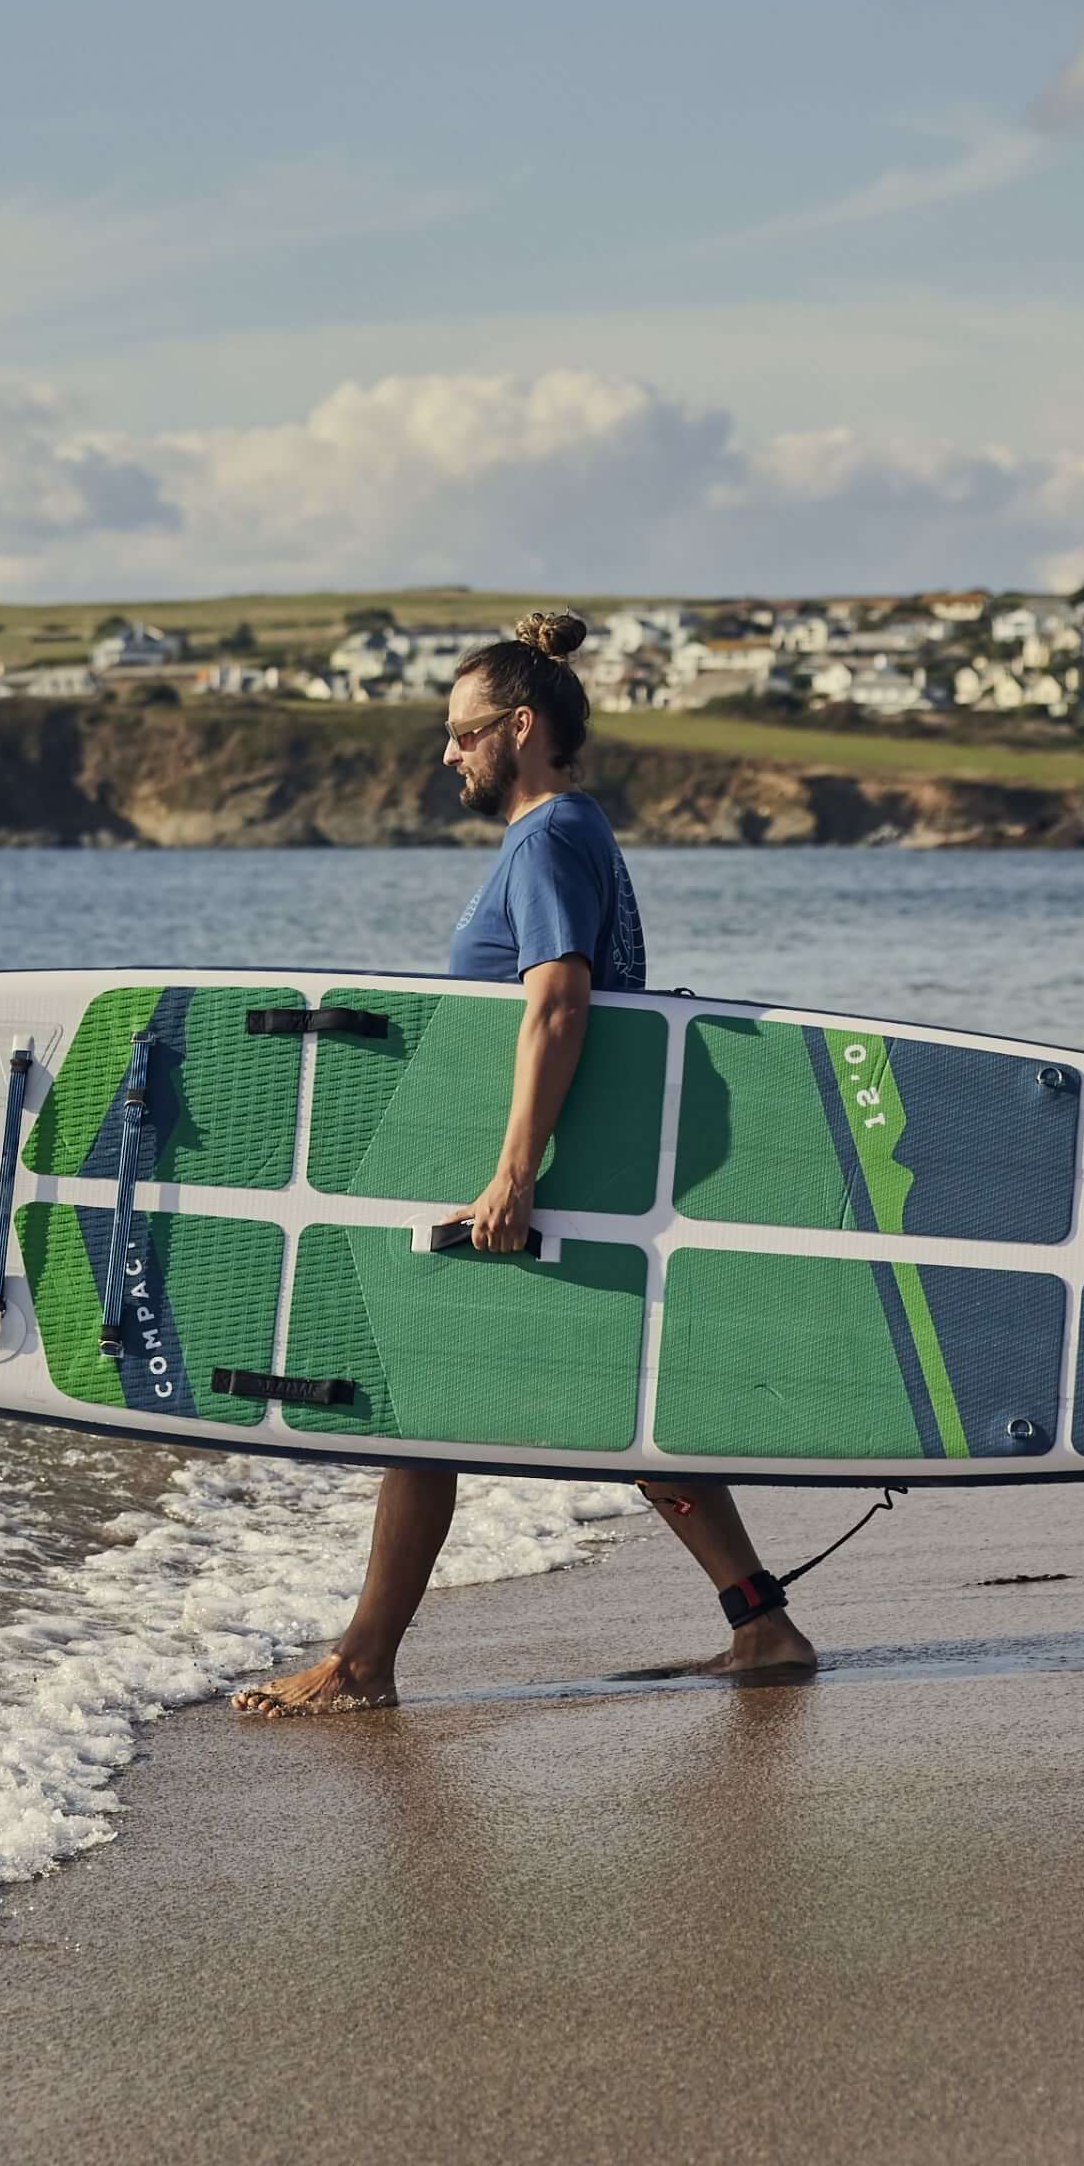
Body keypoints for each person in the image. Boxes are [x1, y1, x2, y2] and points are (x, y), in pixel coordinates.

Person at [231, 610, 819, 1718]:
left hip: (543, 1175)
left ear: (520, 725)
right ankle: (763, 1625)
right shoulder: (567, 833)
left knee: (421, 1411)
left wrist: (513, 1171)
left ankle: (363, 1663)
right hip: (582, 1167)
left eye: (460, 733)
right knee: (621, 1409)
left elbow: (557, 1001)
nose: (445, 755)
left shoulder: (547, 836)